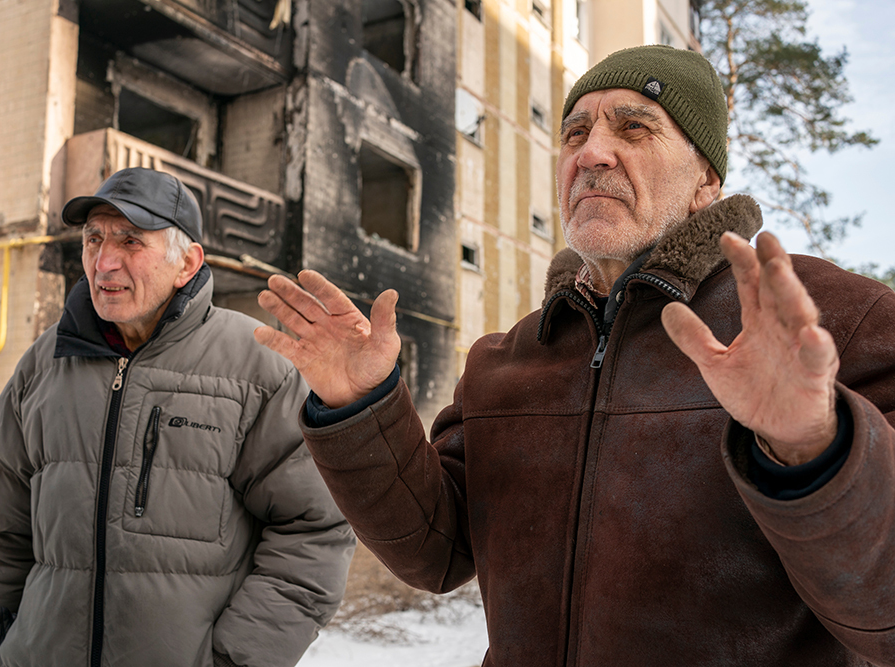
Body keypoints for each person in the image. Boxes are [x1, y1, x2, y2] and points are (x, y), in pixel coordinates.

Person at [254, 45, 895, 666]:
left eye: (635, 127)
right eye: (574, 133)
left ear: (706, 179)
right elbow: (435, 552)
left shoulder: (831, 324)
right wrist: (361, 405)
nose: (590, 153)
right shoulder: (504, 361)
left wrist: (814, 448)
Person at [0, 167, 355, 667]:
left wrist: (235, 660)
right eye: (93, 239)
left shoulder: (256, 367)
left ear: (187, 263)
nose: (103, 262)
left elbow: (314, 530)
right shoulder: (45, 362)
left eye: (130, 241)